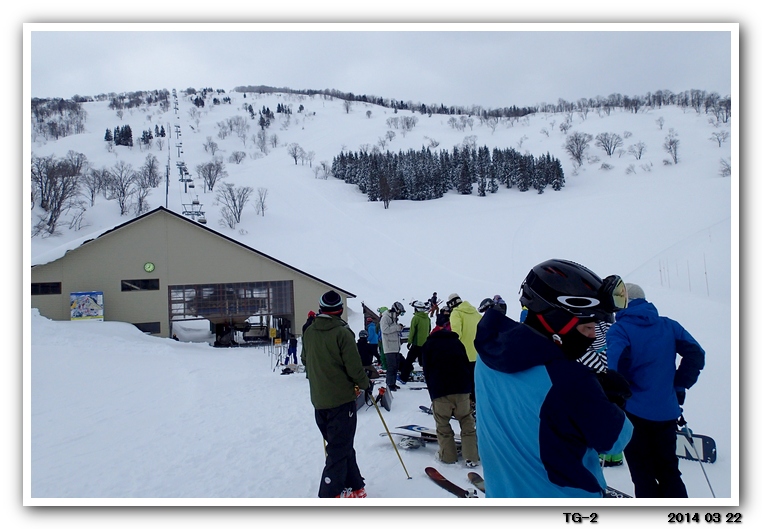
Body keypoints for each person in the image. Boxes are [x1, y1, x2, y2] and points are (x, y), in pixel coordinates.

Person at [474, 259, 633, 498]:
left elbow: (533, 404)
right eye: (587, 327)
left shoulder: (487, 356)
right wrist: (610, 401)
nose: (592, 336)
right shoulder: (572, 382)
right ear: (557, 321)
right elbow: (615, 440)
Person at [606, 283, 706, 498]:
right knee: (669, 471)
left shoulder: (620, 330)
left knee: (643, 474)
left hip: (634, 414)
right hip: (667, 411)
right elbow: (696, 354)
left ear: (624, 303)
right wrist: (679, 386)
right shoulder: (669, 326)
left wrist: (618, 398)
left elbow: (614, 369)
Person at [301, 290, 370, 498]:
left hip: (319, 400)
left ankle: (355, 485)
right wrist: (364, 383)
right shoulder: (342, 332)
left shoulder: (310, 331)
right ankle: (329, 494)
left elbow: (305, 359)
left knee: (341, 444)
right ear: (340, 310)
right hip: (341, 400)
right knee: (339, 449)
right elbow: (354, 366)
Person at [420, 312, 480, 467]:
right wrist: (470, 392)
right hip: (462, 390)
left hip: (440, 391)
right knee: (467, 422)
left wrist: (432, 394)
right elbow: (467, 366)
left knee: (443, 426)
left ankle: (448, 456)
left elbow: (426, 370)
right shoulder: (457, 343)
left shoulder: (428, 345)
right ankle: (471, 456)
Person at [447, 293, 482, 402]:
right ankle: (477, 404)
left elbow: (456, 334)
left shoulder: (456, 313)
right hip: (478, 354)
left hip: (463, 354)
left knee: (463, 381)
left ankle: (465, 406)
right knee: (475, 381)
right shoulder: (475, 313)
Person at [399, 300, 431, 383]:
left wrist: (410, 342)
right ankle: (428, 377)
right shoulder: (427, 318)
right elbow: (429, 330)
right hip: (425, 344)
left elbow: (412, 331)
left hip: (416, 344)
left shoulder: (416, 318)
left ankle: (403, 377)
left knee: (409, 361)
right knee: (424, 362)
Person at [380, 301, 405, 391]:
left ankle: (393, 383)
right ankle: (389, 384)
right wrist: (397, 328)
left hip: (395, 346)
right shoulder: (385, 318)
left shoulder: (393, 318)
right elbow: (385, 329)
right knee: (391, 367)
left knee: (395, 366)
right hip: (389, 346)